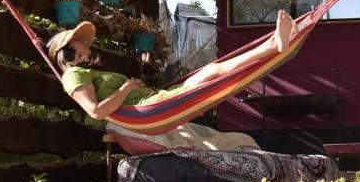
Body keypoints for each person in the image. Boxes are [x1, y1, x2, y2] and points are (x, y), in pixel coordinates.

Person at [48, 10, 295, 120]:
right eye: (79, 41)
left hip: (158, 100)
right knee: (212, 71)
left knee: (212, 72)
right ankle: (273, 46)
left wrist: (134, 87)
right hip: (154, 107)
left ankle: (274, 43)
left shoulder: (85, 72)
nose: (85, 45)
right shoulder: (72, 75)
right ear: (66, 48)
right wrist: (126, 89)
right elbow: (96, 112)